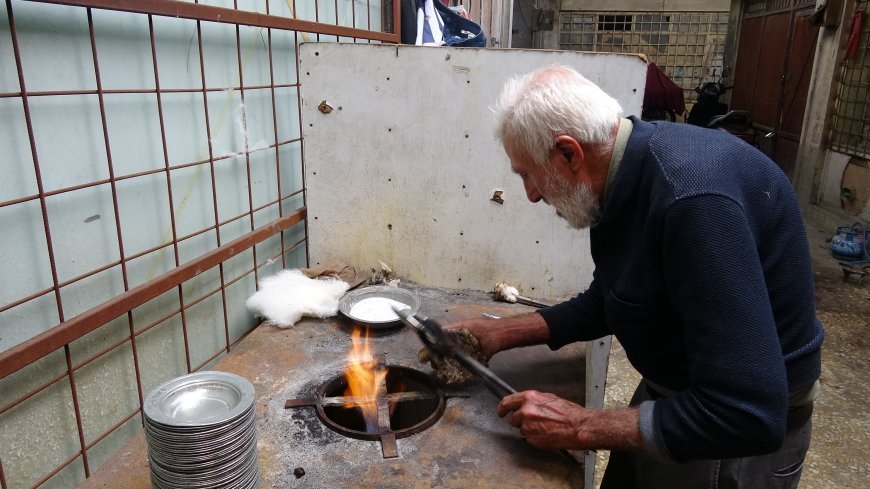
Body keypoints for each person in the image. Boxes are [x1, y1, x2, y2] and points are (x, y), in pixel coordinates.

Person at [442, 65, 824, 488]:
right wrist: (505, 333)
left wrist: (581, 425)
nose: (531, 194)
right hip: (677, 390)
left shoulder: (690, 202)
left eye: (527, 174)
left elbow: (747, 413)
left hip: (727, 440)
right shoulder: (630, 170)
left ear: (569, 153)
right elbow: (617, 297)